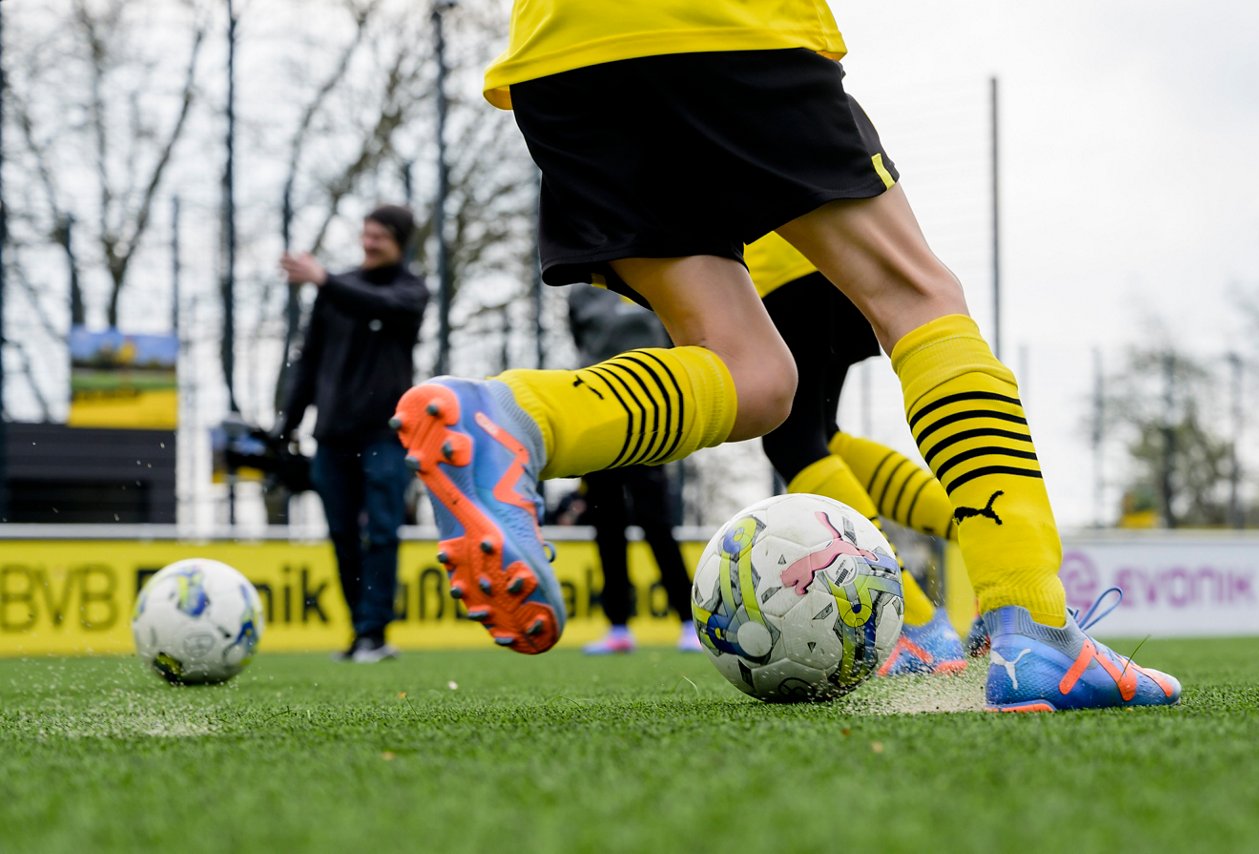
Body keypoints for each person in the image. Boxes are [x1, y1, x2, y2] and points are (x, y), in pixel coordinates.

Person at [393, 5, 1180, 711]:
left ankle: (521, 418)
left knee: (755, 380)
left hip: (560, 58)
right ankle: (1032, 617)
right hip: (724, 26)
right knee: (919, 301)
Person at [746, 231, 966, 677]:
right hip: (836, 255)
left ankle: (916, 622)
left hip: (780, 262)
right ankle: (985, 542)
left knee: (793, 441)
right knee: (822, 436)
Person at [278, 205, 429, 664]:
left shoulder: (410, 290)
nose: (368, 243)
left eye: (379, 236)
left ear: (399, 242)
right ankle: (359, 631)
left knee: (382, 531)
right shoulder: (334, 290)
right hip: (332, 435)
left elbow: (381, 305)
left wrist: (324, 280)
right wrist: (287, 423)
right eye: (365, 234)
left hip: (386, 433)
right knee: (342, 534)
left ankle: (375, 633)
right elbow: (309, 360)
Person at [566, 284, 700, 655]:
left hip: (651, 415)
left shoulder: (648, 275)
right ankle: (618, 627)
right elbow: (582, 344)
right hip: (597, 415)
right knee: (606, 523)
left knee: (656, 521)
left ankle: (689, 622)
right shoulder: (580, 294)